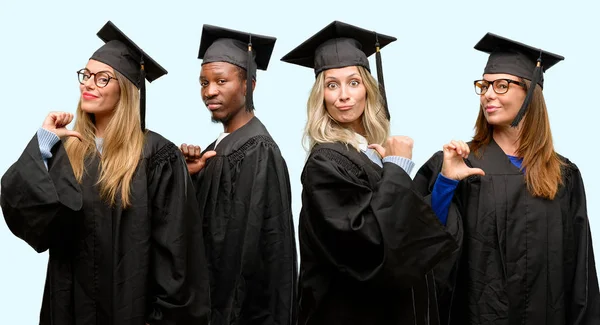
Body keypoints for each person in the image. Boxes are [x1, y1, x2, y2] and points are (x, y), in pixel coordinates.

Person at [0, 21, 210, 325]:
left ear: (124, 88)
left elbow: (175, 254)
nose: (88, 84)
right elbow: (26, 215)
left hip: (132, 311)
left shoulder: (156, 155)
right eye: (86, 76)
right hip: (69, 307)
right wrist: (43, 143)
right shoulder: (67, 150)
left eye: (102, 79)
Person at [414, 32, 600, 325]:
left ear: (531, 95)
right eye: (484, 85)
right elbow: (421, 246)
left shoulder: (564, 176)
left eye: (502, 86)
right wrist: (447, 183)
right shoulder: (458, 165)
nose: (488, 94)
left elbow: (580, 274)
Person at [280, 20, 458, 325]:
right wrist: (398, 167)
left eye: (353, 82)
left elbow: (407, 237)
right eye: (331, 85)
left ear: (368, 89)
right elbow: (369, 246)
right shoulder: (326, 163)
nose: (343, 95)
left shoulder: (370, 153)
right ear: (320, 96)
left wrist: (445, 180)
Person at [179, 24, 297, 325]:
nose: (210, 91)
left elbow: (246, 251)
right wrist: (188, 177)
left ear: (249, 85)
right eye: (203, 82)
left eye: (221, 80)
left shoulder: (258, 150)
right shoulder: (217, 149)